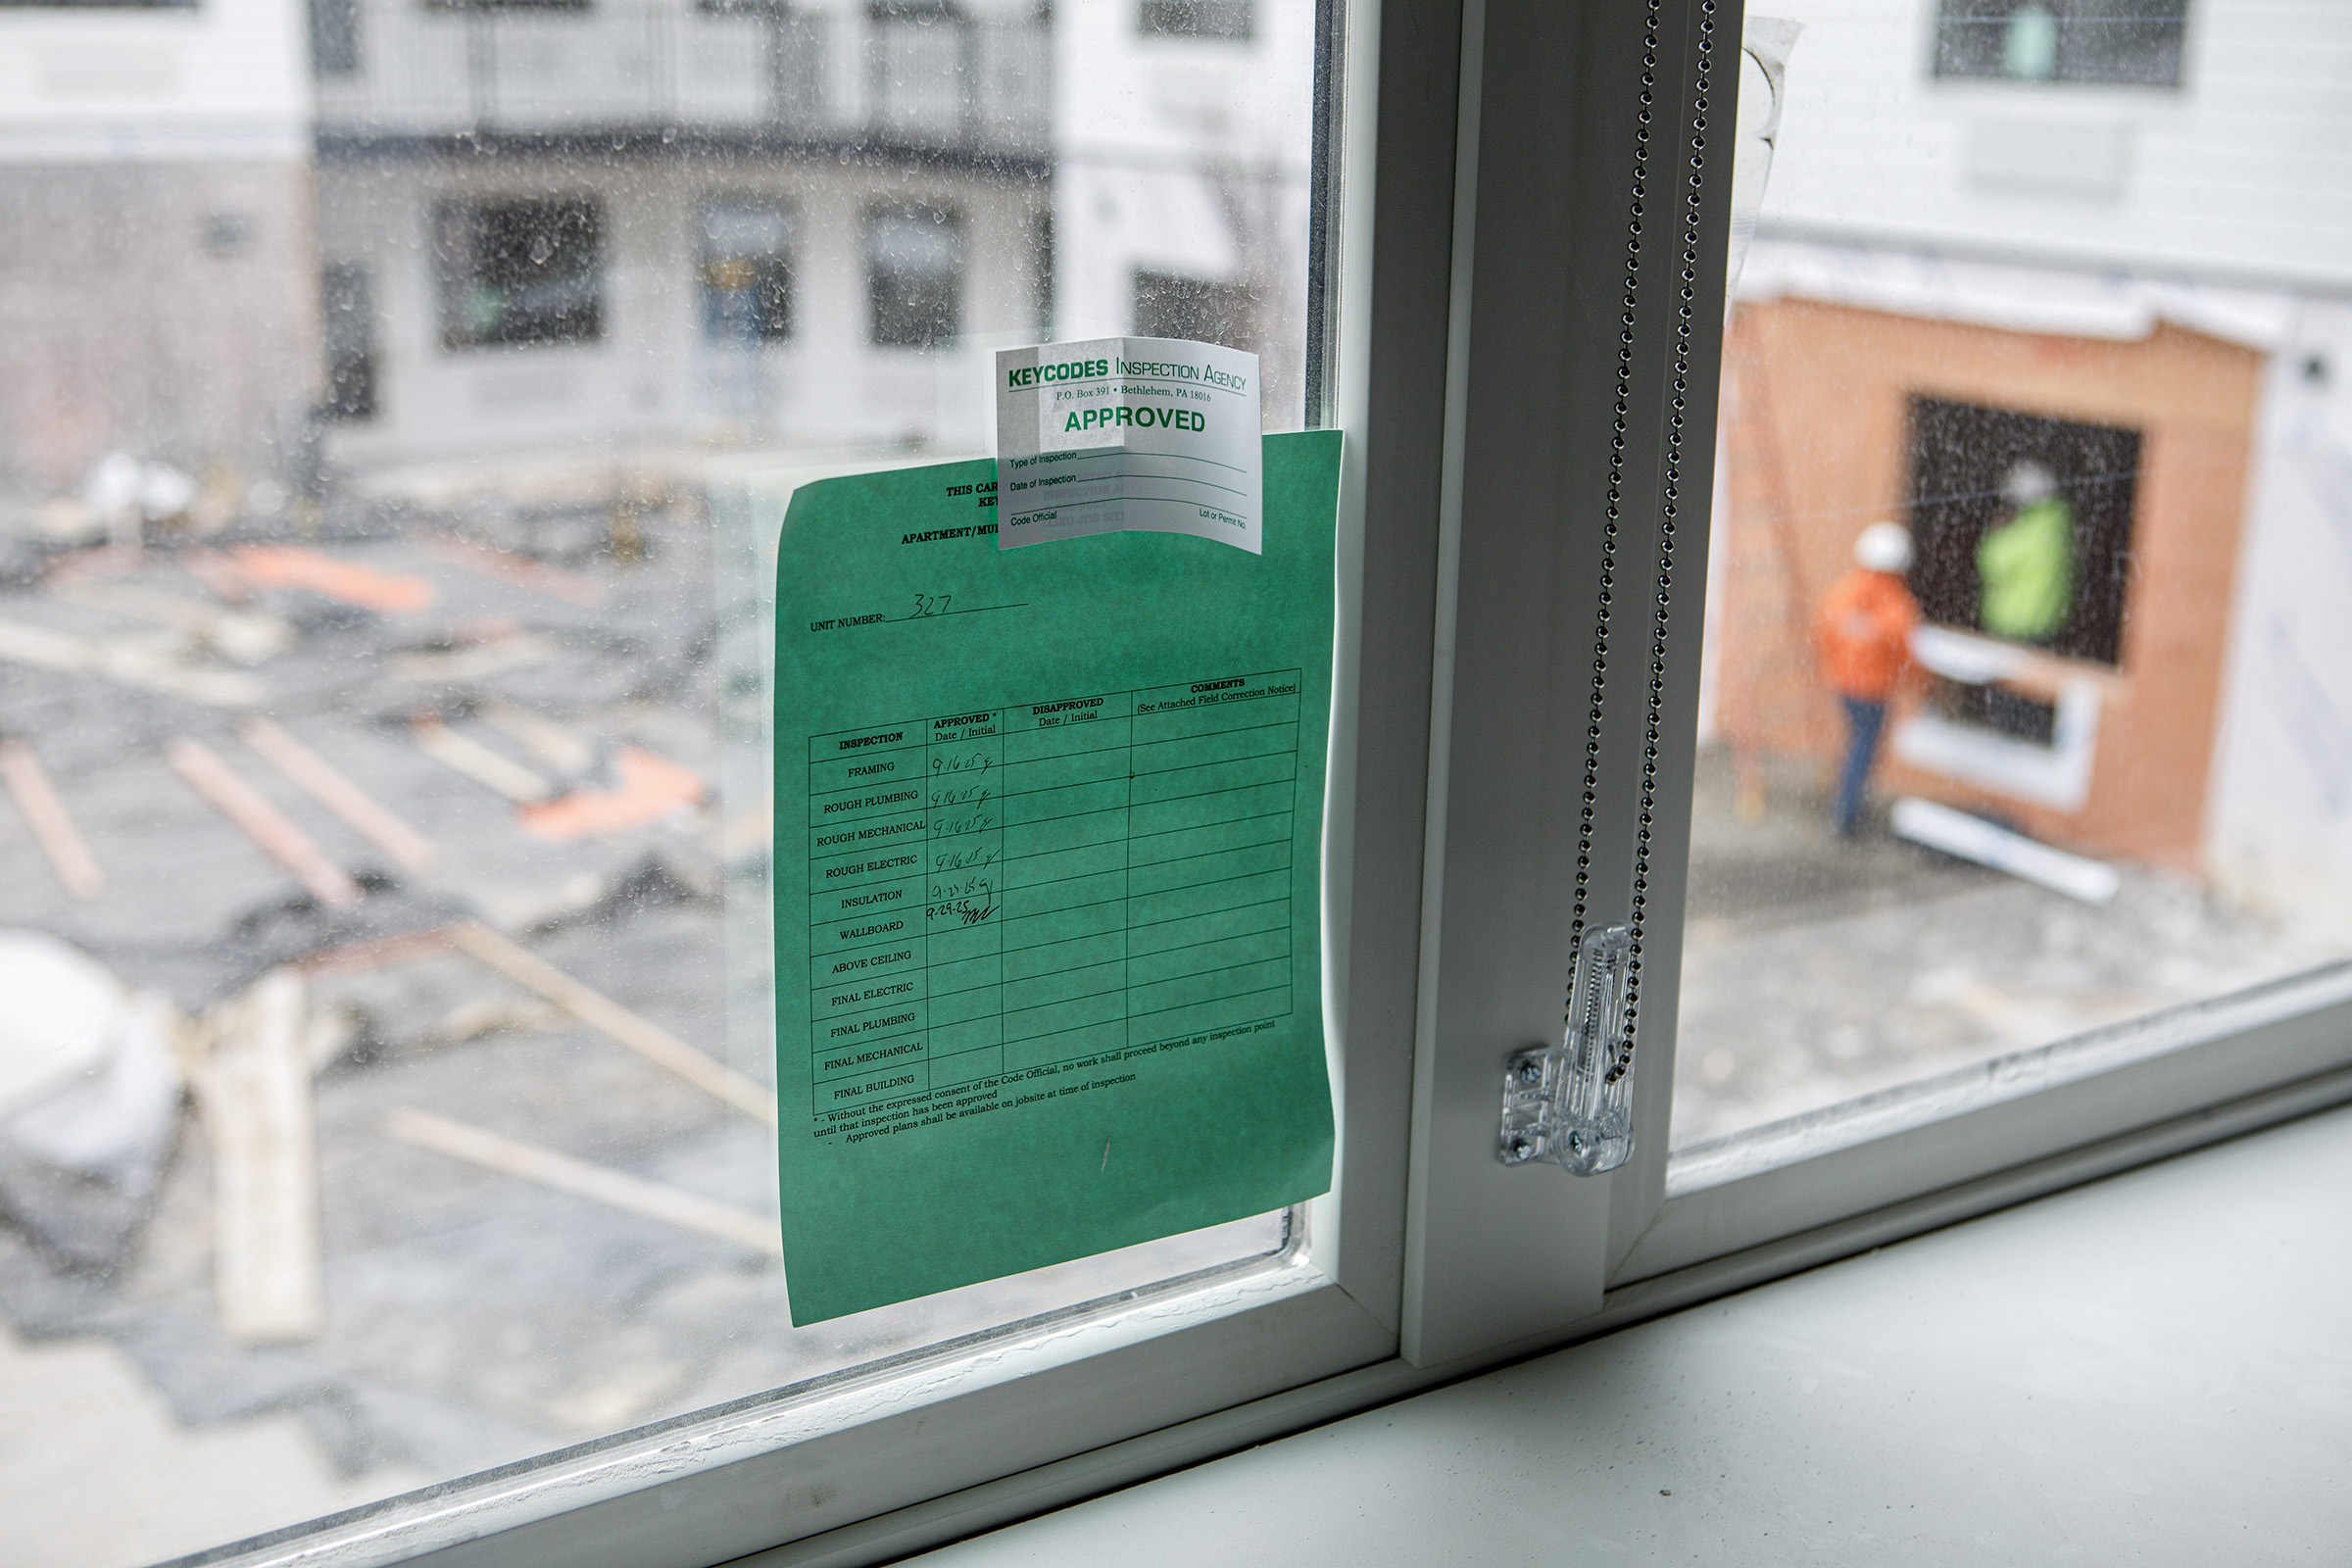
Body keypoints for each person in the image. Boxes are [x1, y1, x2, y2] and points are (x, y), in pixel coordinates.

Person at [1813, 520, 1920, 836]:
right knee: (1864, 747)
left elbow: (1825, 631)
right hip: (1872, 690)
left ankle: (1843, 801)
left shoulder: (1842, 592)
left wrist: (1836, 666)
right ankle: (1846, 813)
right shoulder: (1896, 603)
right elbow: (1907, 650)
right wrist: (1916, 682)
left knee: (1854, 742)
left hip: (1844, 685)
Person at [1977, 459, 2075, 645]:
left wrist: (1997, 532)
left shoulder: (2029, 529)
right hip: (2048, 622)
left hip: (2015, 623)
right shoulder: (2059, 524)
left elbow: (1992, 562)